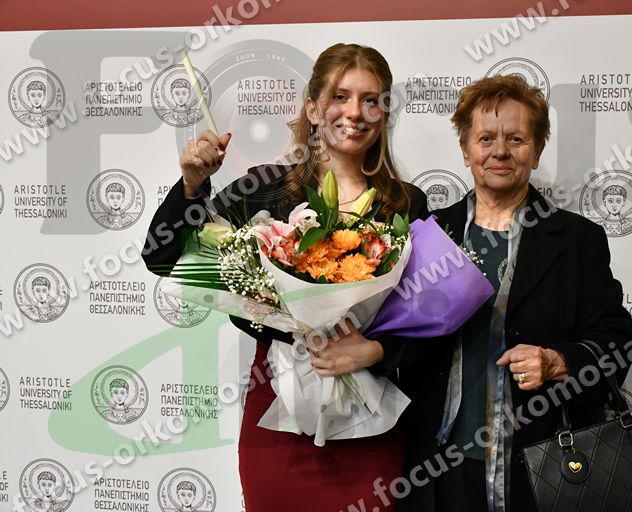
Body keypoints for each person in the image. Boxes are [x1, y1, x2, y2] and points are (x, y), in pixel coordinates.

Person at [143, 43, 429, 512]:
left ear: (383, 115)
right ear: (313, 109)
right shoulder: (265, 188)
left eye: (370, 100)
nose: (354, 112)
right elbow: (161, 257)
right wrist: (192, 185)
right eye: (340, 97)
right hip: (277, 412)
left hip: (369, 421)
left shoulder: (406, 203)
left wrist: (376, 350)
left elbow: (425, 319)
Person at [399, 75, 632, 512]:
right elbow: (400, 343)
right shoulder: (428, 235)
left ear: (537, 150)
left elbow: (617, 346)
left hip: (541, 468)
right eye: (485, 138)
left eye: (516, 139)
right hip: (436, 468)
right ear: (465, 149)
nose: (500, 151)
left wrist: (557, 361)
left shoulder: (577, 240)